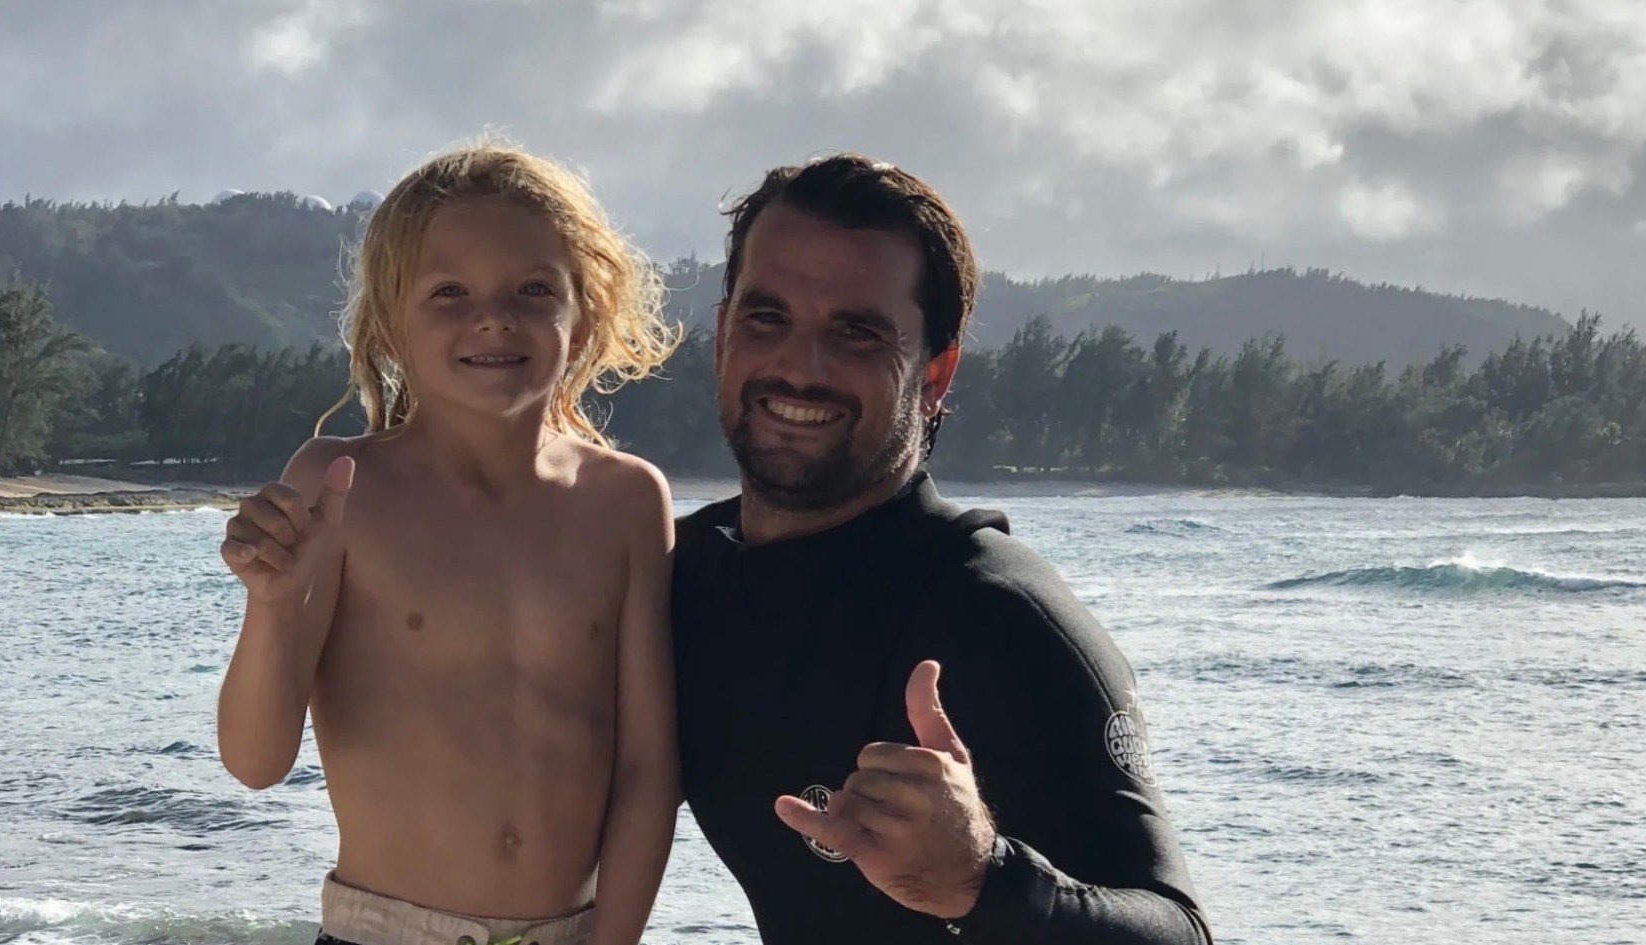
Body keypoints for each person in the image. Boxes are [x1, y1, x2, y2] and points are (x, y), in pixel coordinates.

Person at [670, 154, 1213, 944]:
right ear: (722, 336)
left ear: (935, 373)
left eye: (856, 332)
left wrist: (982, 877)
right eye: (767, 317)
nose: (799, 364)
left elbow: (1182, 932)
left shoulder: (1001, 617)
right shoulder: (681, 578)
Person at [215, 139, 681, 945]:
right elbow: (256, 762)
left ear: (588, 308)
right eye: (450, 291)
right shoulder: (341, 486)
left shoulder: (628, 500)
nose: (493, 316)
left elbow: (649, 768)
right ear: (391, 323)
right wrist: (274, 604)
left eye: (534, 288)